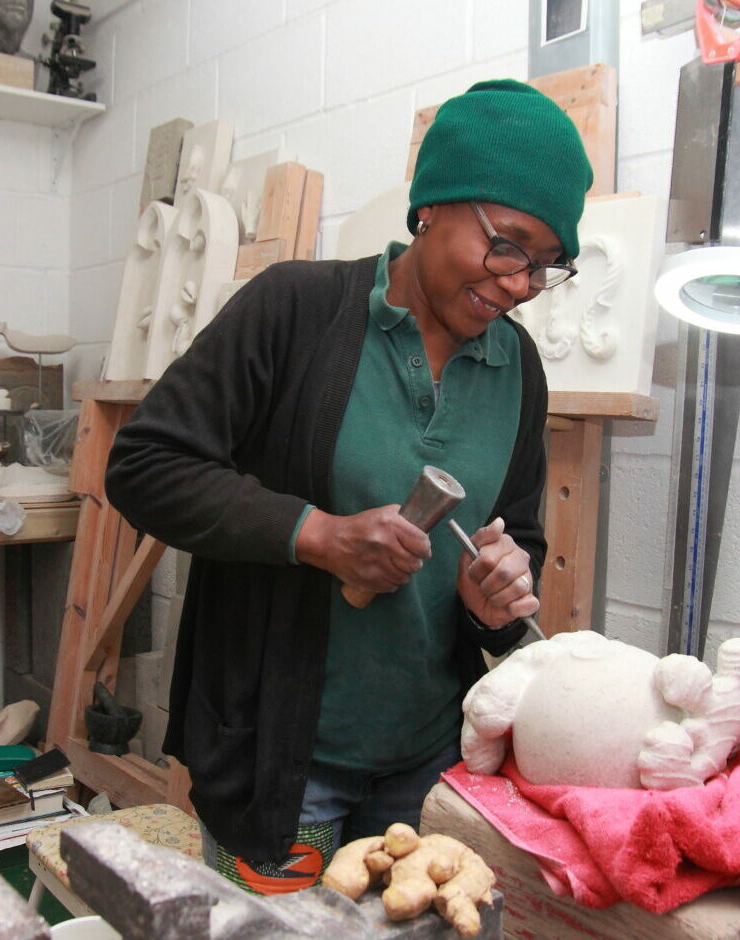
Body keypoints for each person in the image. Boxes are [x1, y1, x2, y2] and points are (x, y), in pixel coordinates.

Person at [104, 78, 592, 895]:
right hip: (285, 764)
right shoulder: (294, 311)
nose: (518, 284)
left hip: (430, 764)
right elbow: (146, 465)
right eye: (508, 245)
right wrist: (317, 537)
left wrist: (498, 596)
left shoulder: (518, 367)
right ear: (432, 205)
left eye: (546, 266)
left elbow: (521, 535)